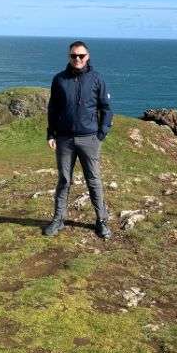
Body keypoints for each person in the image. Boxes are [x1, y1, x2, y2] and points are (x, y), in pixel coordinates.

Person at [44, 40, 113, 239]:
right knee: (64, 180)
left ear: (87, 57)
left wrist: (101, 133)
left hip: (89, 138)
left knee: (94, 180)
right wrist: (51, 133)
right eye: (73, 56)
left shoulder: (97, 79)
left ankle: (101, 221)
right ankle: (58, 219)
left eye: (81, 56)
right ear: (69, 57)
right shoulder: (59, 80)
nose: (77, 59)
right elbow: (53, 108)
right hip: (64, 139)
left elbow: (106, 108)